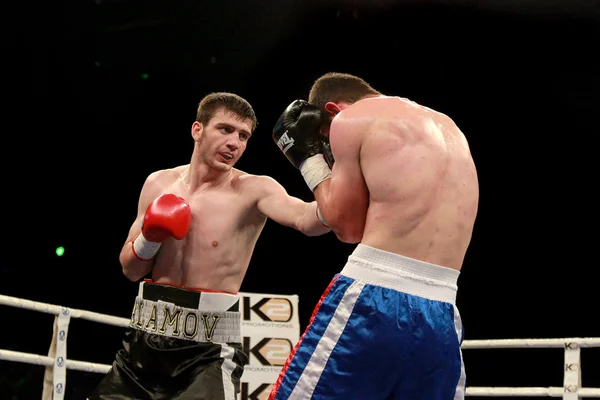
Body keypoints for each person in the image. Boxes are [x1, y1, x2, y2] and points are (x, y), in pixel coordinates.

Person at [88, 92, 331, 400]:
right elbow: (130, 270)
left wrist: (320, 170)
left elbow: (309, 220)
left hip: (208, 355)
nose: (235, 143)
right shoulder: (158, 184)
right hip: (142, 345)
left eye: (243, 136)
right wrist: (150, 238)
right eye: (225, 129)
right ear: (197, 130)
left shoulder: (253, 190)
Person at [269, 72, 479, 400]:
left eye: (324, 134)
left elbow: (346, 227)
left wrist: (310, 161)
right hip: (443, 312)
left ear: (332, 110)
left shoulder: (349, 121)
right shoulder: (449, 128)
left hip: (375, 299)